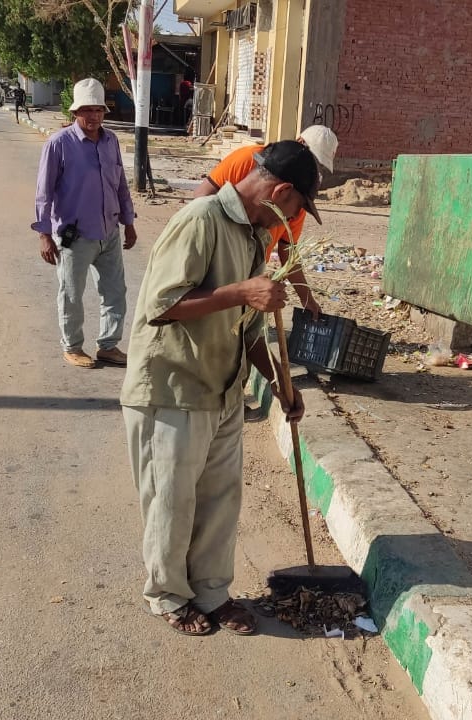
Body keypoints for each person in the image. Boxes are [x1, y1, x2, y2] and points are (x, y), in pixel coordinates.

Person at [121, 140, 319, 636]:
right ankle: (168, 595)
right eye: (299, 207)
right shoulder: (200, 219)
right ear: (282, 191)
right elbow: (161, 305)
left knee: (219, 500)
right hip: (173, 387)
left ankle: (211, 594)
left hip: (224, 389)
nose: (294, 218)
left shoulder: (256, 236)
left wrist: (279, 382)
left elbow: (247, 327)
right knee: (171, 500)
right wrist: (240, 291)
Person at [31, 78, 137, 369]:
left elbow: (121, 186)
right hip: (75, 236)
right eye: (86, 110)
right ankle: (73, 346)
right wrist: (43, 234)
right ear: (75, 113)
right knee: (72, 294)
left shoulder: (111, 141)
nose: (93, 116)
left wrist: (129, 222)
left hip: (109, 232)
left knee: (115, 292)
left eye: (98, 110)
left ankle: (109, 346)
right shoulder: (59, 144)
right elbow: (44, 192)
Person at [193, 125, 338, 317]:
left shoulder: (297, 202)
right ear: (300, 143)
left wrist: (307, 299)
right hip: (216, 269)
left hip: (249, 275)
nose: (312, 166)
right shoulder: (249, 160)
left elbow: (288, 253)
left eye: (319, 164)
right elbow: (201, 200)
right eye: (313, 157)